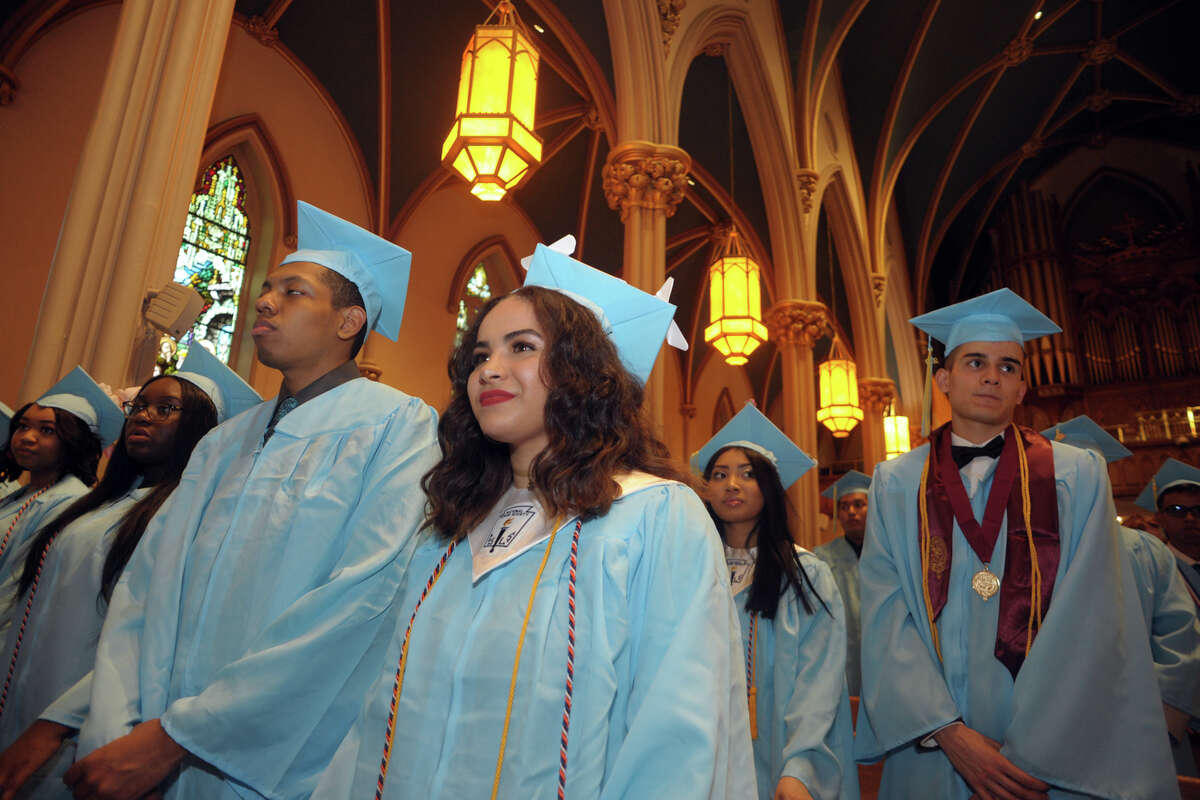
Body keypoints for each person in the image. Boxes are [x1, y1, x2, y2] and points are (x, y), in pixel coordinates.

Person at [314, 243, 754, 799]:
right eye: (479, 355)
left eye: (521, 347)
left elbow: (678, 728)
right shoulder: (448, 530)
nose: (489, 369)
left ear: (583, 374)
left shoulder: (651, 514)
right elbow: (382, 709)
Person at [61, 201, 440, 800]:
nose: (263, 301)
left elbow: (362, 595)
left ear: (348, 323)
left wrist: (184, 734)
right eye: (266, 288)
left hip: (278, 758)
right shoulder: (224, 441)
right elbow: (145, 587)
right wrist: (119, 723)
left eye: (293, 291)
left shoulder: (399, 426)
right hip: (149, 741)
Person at [855, 288, 1175, 799]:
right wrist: (948, 732)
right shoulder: (896, 482)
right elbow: (885, 614)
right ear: (944, 379)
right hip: (932, 745)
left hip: (1048, 752)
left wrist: (1029, 747)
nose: (990, 376)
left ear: (1023, 387)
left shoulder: (1075, 474)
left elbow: (1091, 616)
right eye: (975, 362)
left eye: (1008, 367)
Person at [0, 343, 259, 797]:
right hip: (25, 691)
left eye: (167, 409)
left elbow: (147, 636)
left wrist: (58, 722)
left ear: (202, 429)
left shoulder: (185, 515)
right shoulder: (101, 504)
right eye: (140, 405)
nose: (143, 416)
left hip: (81, 720)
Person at [694, 402, 858, 800]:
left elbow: (818, 680)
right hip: (702, 754)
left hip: (780, 756)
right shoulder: (692, 572)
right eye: (719, 475)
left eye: (747, 475)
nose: (731, 484)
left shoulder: (804, 574)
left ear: (769, 488)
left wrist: (800, 767)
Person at [1046, 416, 1200, 775]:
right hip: (1058, 729)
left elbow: (1182, 639)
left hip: (1146, 731)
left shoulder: (1146, 550)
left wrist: (1155, 724)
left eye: (1088, 475)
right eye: (1062, 480)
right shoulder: (1030, 556)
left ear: (1104, 480)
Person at [0, 369, 122, 635]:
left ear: (72, 442)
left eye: (46, 430)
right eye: (23, 426)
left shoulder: (69, 504)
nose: (27, 437)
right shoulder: (21, 495)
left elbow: (15, 595)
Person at [814, 470, 871, 697]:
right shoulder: (821, 557)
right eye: (844, 507)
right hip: (840, 655)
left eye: (859, 504)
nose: (851, 512)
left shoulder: (888, 554)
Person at [1136, 458, 1200, 604]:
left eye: (1198, 510)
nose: (1189, 518)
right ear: (1159, 518)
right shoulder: (1150, 567)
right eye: (1176, 510)